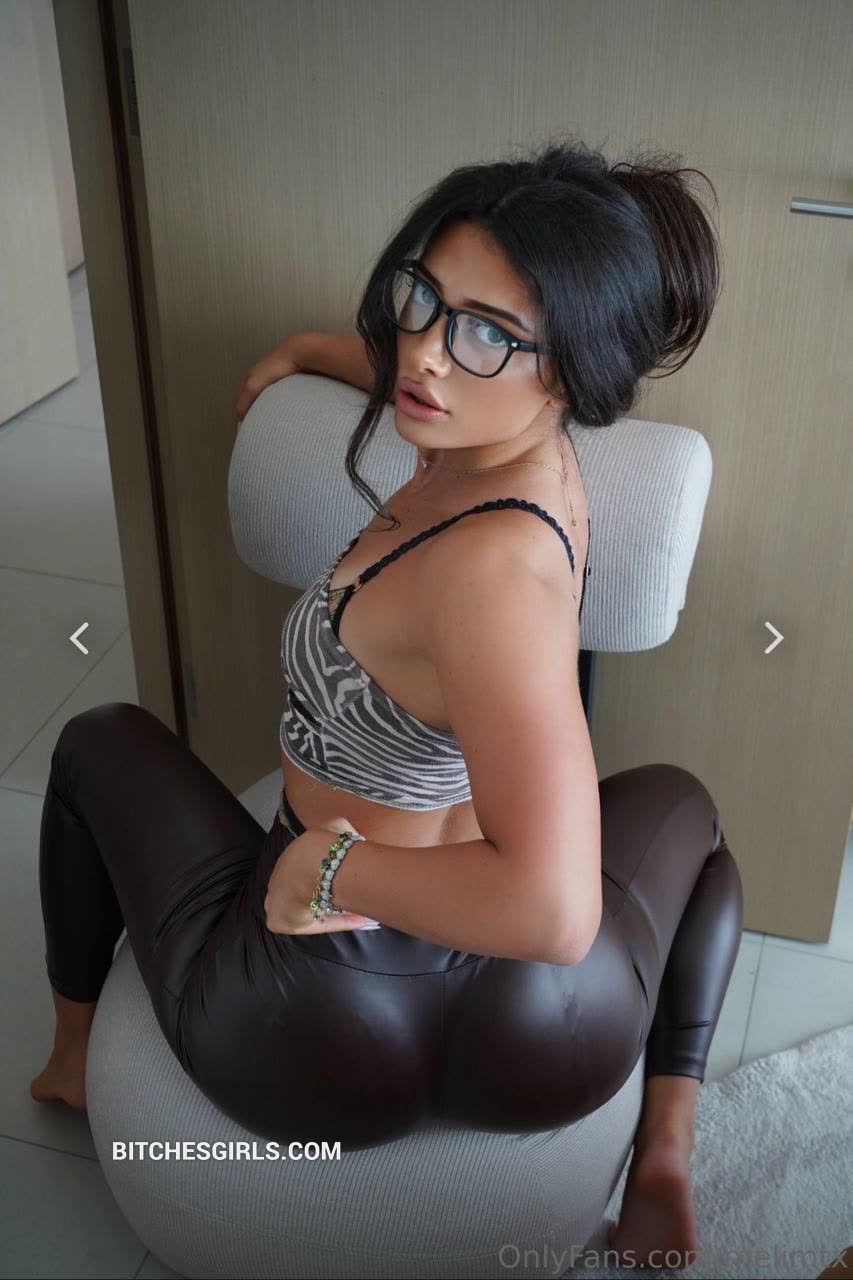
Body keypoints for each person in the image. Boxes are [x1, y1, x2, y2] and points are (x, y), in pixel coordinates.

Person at [31, 137, 742, 1269]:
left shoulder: (490, 577)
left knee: (94, 741)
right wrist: (316, 349)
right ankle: (662, 1147)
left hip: (317, 1017)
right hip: (542, 1031)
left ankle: (72, 1058)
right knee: (687, 814)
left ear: (570, 371)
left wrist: (327, 868)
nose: (423, 355)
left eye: (483, 333)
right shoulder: (527, 449)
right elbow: (437, 367)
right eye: (421, 297)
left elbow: (556, 909)